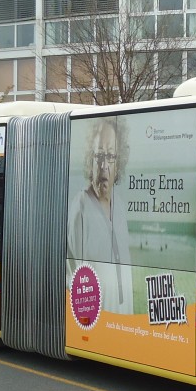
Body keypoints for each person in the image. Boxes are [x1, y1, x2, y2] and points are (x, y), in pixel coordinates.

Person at [67, 118, 133, 313]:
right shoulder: (81, 207)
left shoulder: (119, 206)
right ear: (90, 158)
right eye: (99, 155)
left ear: (118, 160)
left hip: (123, 320)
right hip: (97, 322)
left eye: (111, 156)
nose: (104, 165)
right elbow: (73, 274)